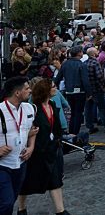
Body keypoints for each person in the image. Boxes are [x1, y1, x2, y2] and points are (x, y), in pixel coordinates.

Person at [16, 79, 69, 215]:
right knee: (26, 182)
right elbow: (24, 128)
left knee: (55, 180)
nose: (56, 88)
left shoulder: (52, 104)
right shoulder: (33, 108)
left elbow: (56, 125)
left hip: (51, 149)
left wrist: (57, 139)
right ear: (46, 91)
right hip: (37, 150)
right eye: (53, 86)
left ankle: (61, 211)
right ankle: (21, 208)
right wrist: (30, 136)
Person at [0, 77, 37, 215]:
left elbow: (33, 130)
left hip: (20, 164)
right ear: (17, 92)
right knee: (7, 202)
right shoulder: (0, 110)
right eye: (27, 88)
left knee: (12, 199)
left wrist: (31, 147)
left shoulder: (29, 108)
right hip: (2, 165)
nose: (30, 91)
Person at [54, 46, 90, 135]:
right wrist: (89, 93)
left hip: (69, 91)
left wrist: (55, 87)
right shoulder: (82, 65)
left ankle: (71, 132)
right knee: (78, 113)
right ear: (79, 53)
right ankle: (75, 133)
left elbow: (58, 78)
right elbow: (85, 80)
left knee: (73, 112)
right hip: (80, 91)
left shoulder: (65, 64)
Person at [84, 47, 105, 135]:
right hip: (97, 89)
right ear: (94, 54)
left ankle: (90, 126)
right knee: (102, 108)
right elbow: (100, 76)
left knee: (88, 109)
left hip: (88, 90)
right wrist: (103, 86)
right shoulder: (95, 63)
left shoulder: (84, 63)